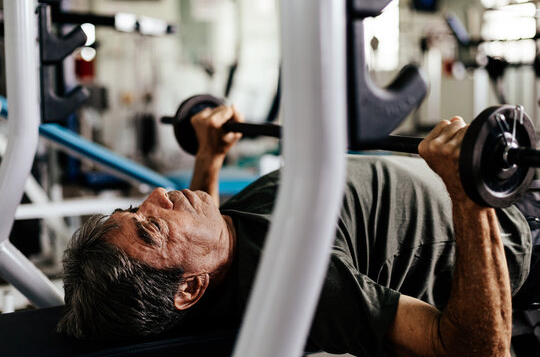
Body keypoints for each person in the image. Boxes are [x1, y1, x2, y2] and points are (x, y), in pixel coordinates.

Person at [57, 105, 537, 357]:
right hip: (516, 235)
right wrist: (469, 198)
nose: (158, 197)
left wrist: (209, 157)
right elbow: (476, 352)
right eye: (150, 229)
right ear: (189, 290)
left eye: (135, 209)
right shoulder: (300, 284)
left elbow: (194, 257)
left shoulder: (215, 253)